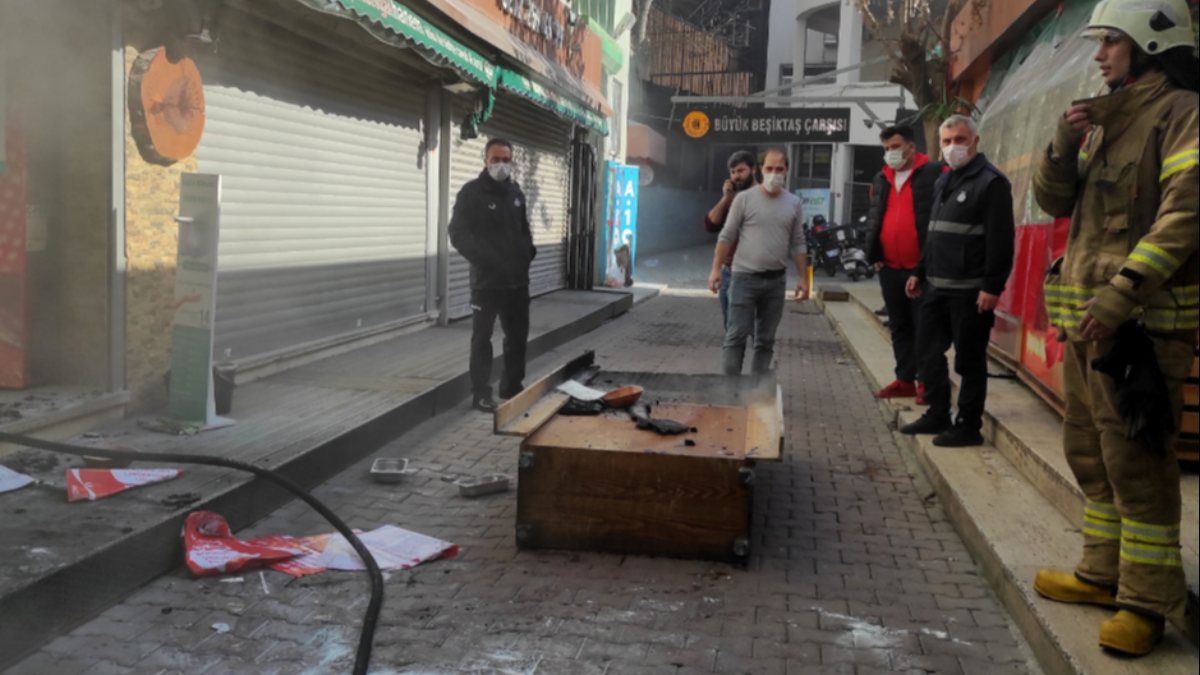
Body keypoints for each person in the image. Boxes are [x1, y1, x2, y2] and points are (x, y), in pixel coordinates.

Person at [1028, 0, 1199, 656]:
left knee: (1138, 460)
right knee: (1090, 451)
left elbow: (1185, 217)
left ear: (1150, 45)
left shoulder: (1182, 114)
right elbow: (1054, 200)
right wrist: (1063, 142)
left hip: (1142, 328)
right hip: (1088, 322)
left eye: (1111, 43)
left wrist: (1123, 293)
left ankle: (1147, 602)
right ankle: (1102, 573)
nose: (1099, 56)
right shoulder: (1105, 122)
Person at [901, 115, 1014, 446]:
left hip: (970, 292)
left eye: (960, 140)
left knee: (969, 360)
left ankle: (967, 425)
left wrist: (992, 286)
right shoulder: (944, 180)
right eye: (947, 141)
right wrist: (919, 271)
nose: (953, 147)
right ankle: (938, 412)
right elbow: (935, 234)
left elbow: (1001, 241)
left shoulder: (991, 183)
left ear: (975, 141)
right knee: (927, 352)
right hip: (936, 287)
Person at [449, 138, 536, 413]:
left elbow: (524, 230)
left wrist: (527, 253)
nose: (501, 165)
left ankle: (511, 387)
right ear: (485, 161)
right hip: (486, 284)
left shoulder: (516, 193)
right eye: (496, 159)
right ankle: (481, 394)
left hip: (517, 283)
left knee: (517, 338)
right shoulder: (471, 193)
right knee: (482, 340)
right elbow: (458, 234)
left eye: (506, 160)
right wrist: (488, 260)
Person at [708, 148, 809, 375]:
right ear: (761, 170)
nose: (774, 174)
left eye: (779, 169)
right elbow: (726, 236)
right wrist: (715, 269)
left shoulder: (793, 203)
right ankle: (730, 388)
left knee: (765, 340)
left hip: (776, 282)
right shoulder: (744, 199)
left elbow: (798, 242)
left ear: (786, 170)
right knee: (736, 336)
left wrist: (804, 279)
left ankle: (756, 388)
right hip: (743, 278)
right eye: (769, 168)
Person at [864, 124, 943, 401]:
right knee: (899, 327)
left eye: (895, 147)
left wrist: (925, 265)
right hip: (889, 268)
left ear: (911, 147)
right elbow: (875, 216)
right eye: (886, 149)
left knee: (925, 329)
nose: (891, 153)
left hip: (921, 269)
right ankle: (905, 379)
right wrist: (874, 254)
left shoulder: (934, 173)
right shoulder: (881, 178)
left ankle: (927, 383)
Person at [704, 150, 759, 326]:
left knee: (756, 328)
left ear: (753, 170)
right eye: (733, 172)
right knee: (731, 328)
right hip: (730, 273)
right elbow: (710, 225)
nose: (736, 176)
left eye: (741, 170)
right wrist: (726, 198)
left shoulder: (763, 197)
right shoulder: (732, 200)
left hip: (757, 273)